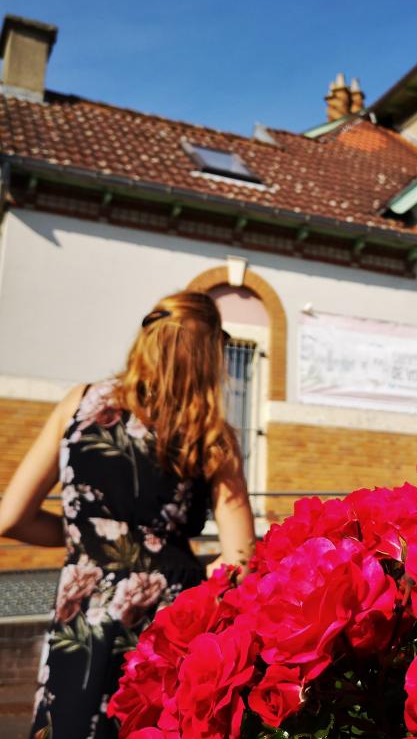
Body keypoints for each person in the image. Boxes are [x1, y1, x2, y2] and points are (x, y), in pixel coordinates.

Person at [0, 291, 256, 738]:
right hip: (168, 625)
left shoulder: (78, 403)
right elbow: (240, 558)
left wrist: (90, 537)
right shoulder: (211, 434)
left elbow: (11, 518)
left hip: (82, 612)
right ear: (207, 355)